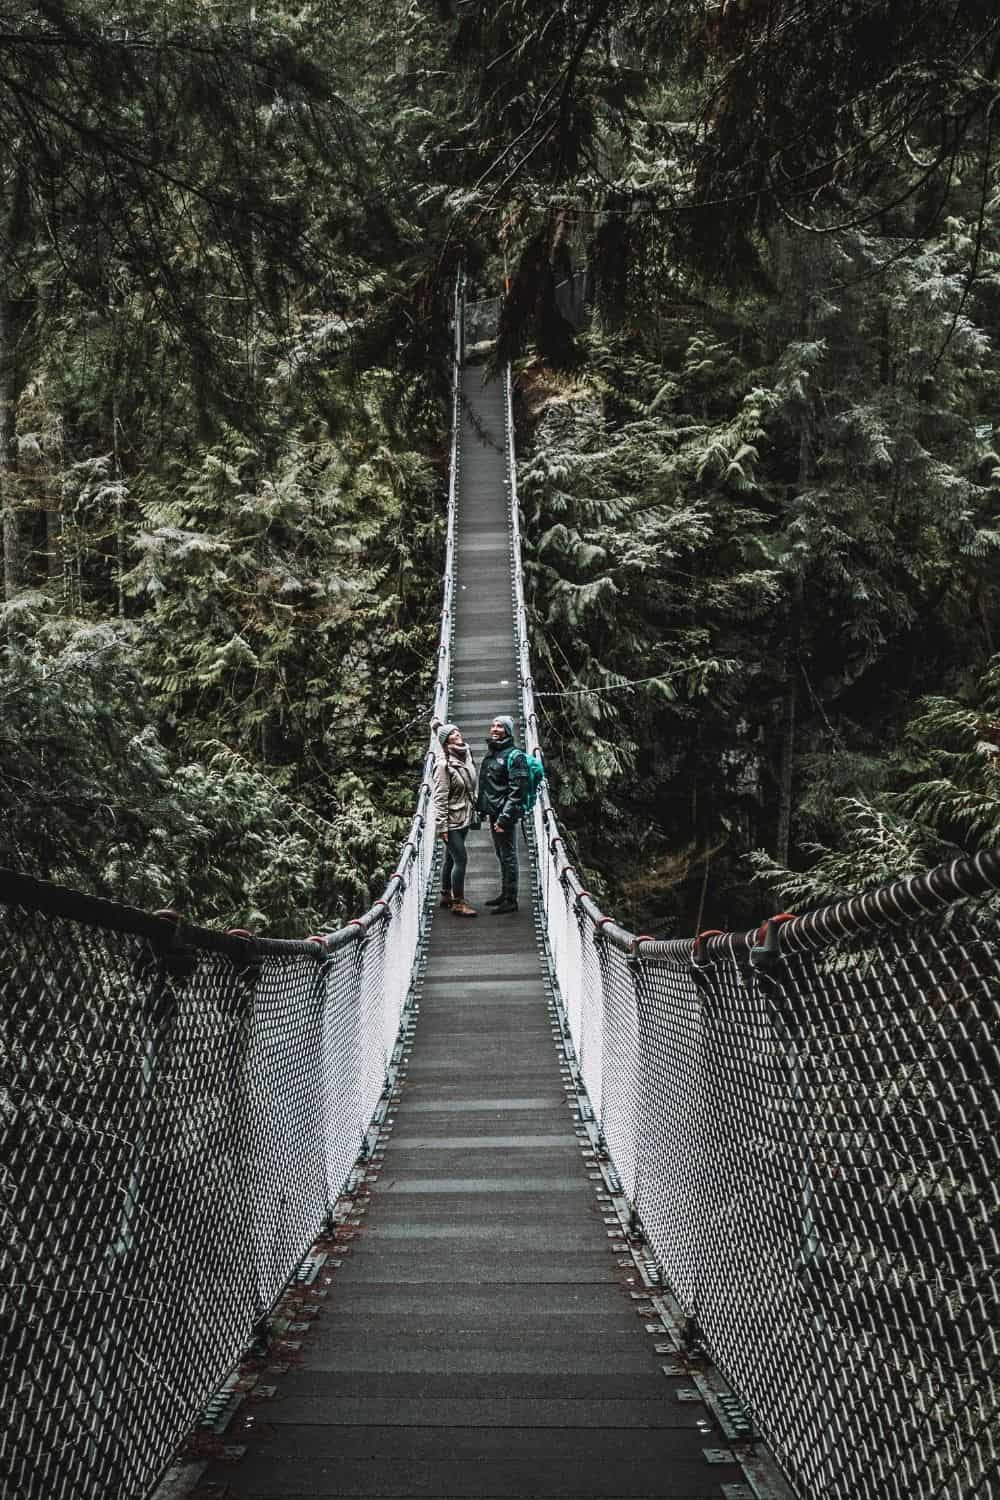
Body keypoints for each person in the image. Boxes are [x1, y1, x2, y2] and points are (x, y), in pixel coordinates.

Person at [477, 714, 528, 914]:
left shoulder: (515, 756)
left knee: (508, 855)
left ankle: (511, 900)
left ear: (507, 730)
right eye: (493, 725)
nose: (494, 729)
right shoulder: (494, 752)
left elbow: (517, 791)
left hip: (504, 814)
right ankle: (504, 894)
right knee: (501, 854)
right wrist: (483, 809)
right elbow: (488, 784)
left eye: (499, 726)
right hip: (494, 812)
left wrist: (504, 818)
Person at [432, 722, 478, 917]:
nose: (457, 733)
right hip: (450, 821)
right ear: (445, 740)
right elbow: (439, 797)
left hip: (464, 816)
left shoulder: (465, 753)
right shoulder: (443, 766)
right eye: (452, 733)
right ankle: (458, 903)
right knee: (461, 859)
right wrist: (441, 826)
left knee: (450, 857)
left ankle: (445, 895)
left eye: (458, 730)